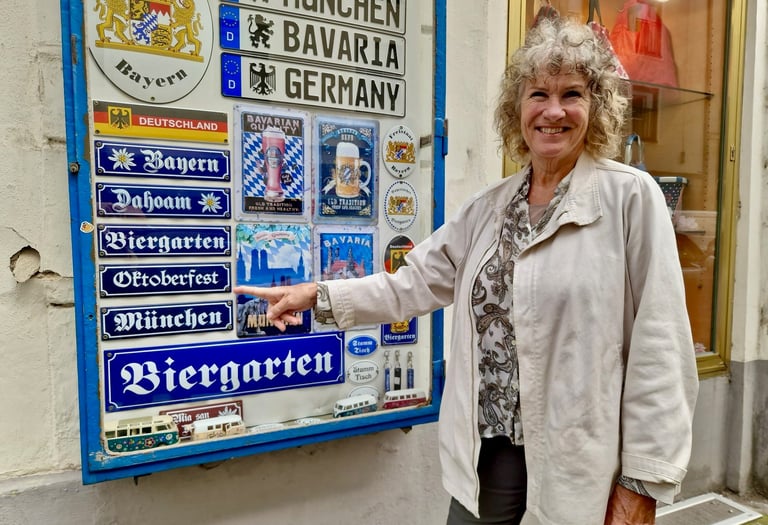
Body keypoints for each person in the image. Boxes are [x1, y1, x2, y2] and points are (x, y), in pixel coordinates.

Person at [233, 16, 699, 525]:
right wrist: (317, 295)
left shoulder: (629, 198)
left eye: (572, 94)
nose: (554, 111)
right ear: (517, 110)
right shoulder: (490, 207)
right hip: (490, 454)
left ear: (597, 107)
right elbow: (411, 284)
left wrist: (642, 482)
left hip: (580, 462)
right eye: (538, 94)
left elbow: (661, 348)